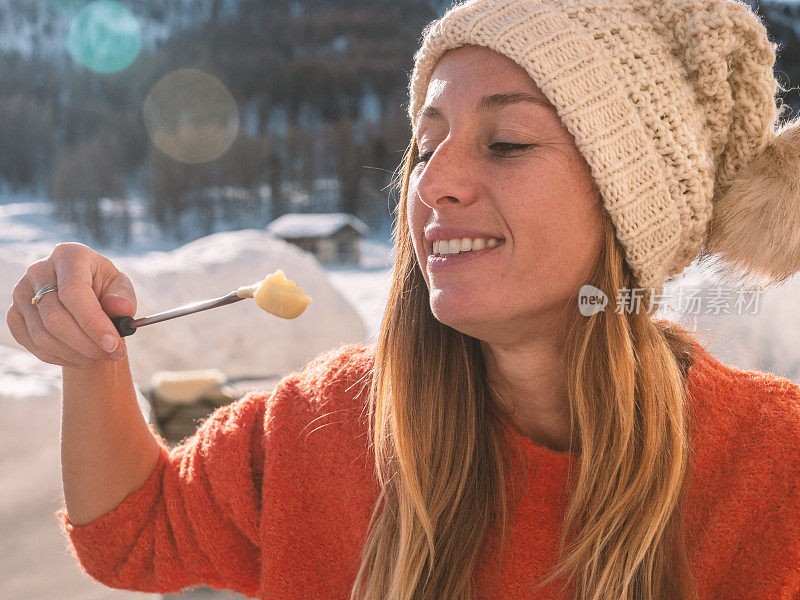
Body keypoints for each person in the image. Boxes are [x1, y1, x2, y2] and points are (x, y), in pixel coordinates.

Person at [6, 0, 800, 599]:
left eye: (508, 142)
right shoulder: (318, 430)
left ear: (634, 210)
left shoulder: (776, 468)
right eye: (426, 145)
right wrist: (92, 356)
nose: (433, 182)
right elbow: (131, 535)